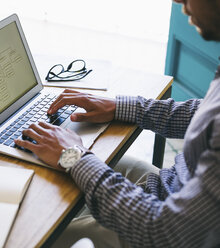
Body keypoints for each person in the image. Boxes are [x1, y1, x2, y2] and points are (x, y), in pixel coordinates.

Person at [14, 0, 220, 247]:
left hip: (160, 231)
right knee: (95, 161)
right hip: (173, 189)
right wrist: (118, 107)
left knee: (27, 234)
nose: (178, 1)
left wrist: (73, 156)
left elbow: (163, 234)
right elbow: (207, 114)